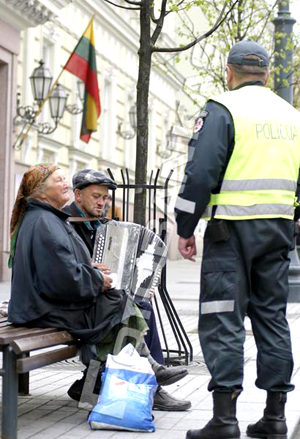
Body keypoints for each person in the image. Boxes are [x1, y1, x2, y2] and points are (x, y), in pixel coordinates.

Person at [175, 40, 300, 439]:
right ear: (267, 74)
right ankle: (275, 417)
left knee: (222, 316)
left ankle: (225, 419)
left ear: (229, 72)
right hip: (278, 229)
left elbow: (200, 174)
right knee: (272, 317)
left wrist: (184, 225)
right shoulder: (292, 116)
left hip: (229, 231)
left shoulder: (222, 108)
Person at [7, 164, 189, 408]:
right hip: (43, 309)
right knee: (119, 304)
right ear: (40, 192)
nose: (65, 184)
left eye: (65, 179)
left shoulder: (48, 219)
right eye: (59, 180)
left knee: (121, 303)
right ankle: (140, 373)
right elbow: (62, 279)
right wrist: (97, 279)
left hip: (43, 304)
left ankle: (114, 378)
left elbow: (64, 267)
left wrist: (92, 271)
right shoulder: (45, 223)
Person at [64, 168, 192, 411]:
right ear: (78, 195)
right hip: (75, 300)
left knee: (141, 303)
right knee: (135, 309)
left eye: (106, 197)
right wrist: (88, 267)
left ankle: (96, 382)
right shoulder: (65, 224)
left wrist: (141, 285)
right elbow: (62, 265)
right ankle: (152, 385)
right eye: (96, 196)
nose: (102, 202)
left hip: (99, 296)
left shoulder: (105, 225)